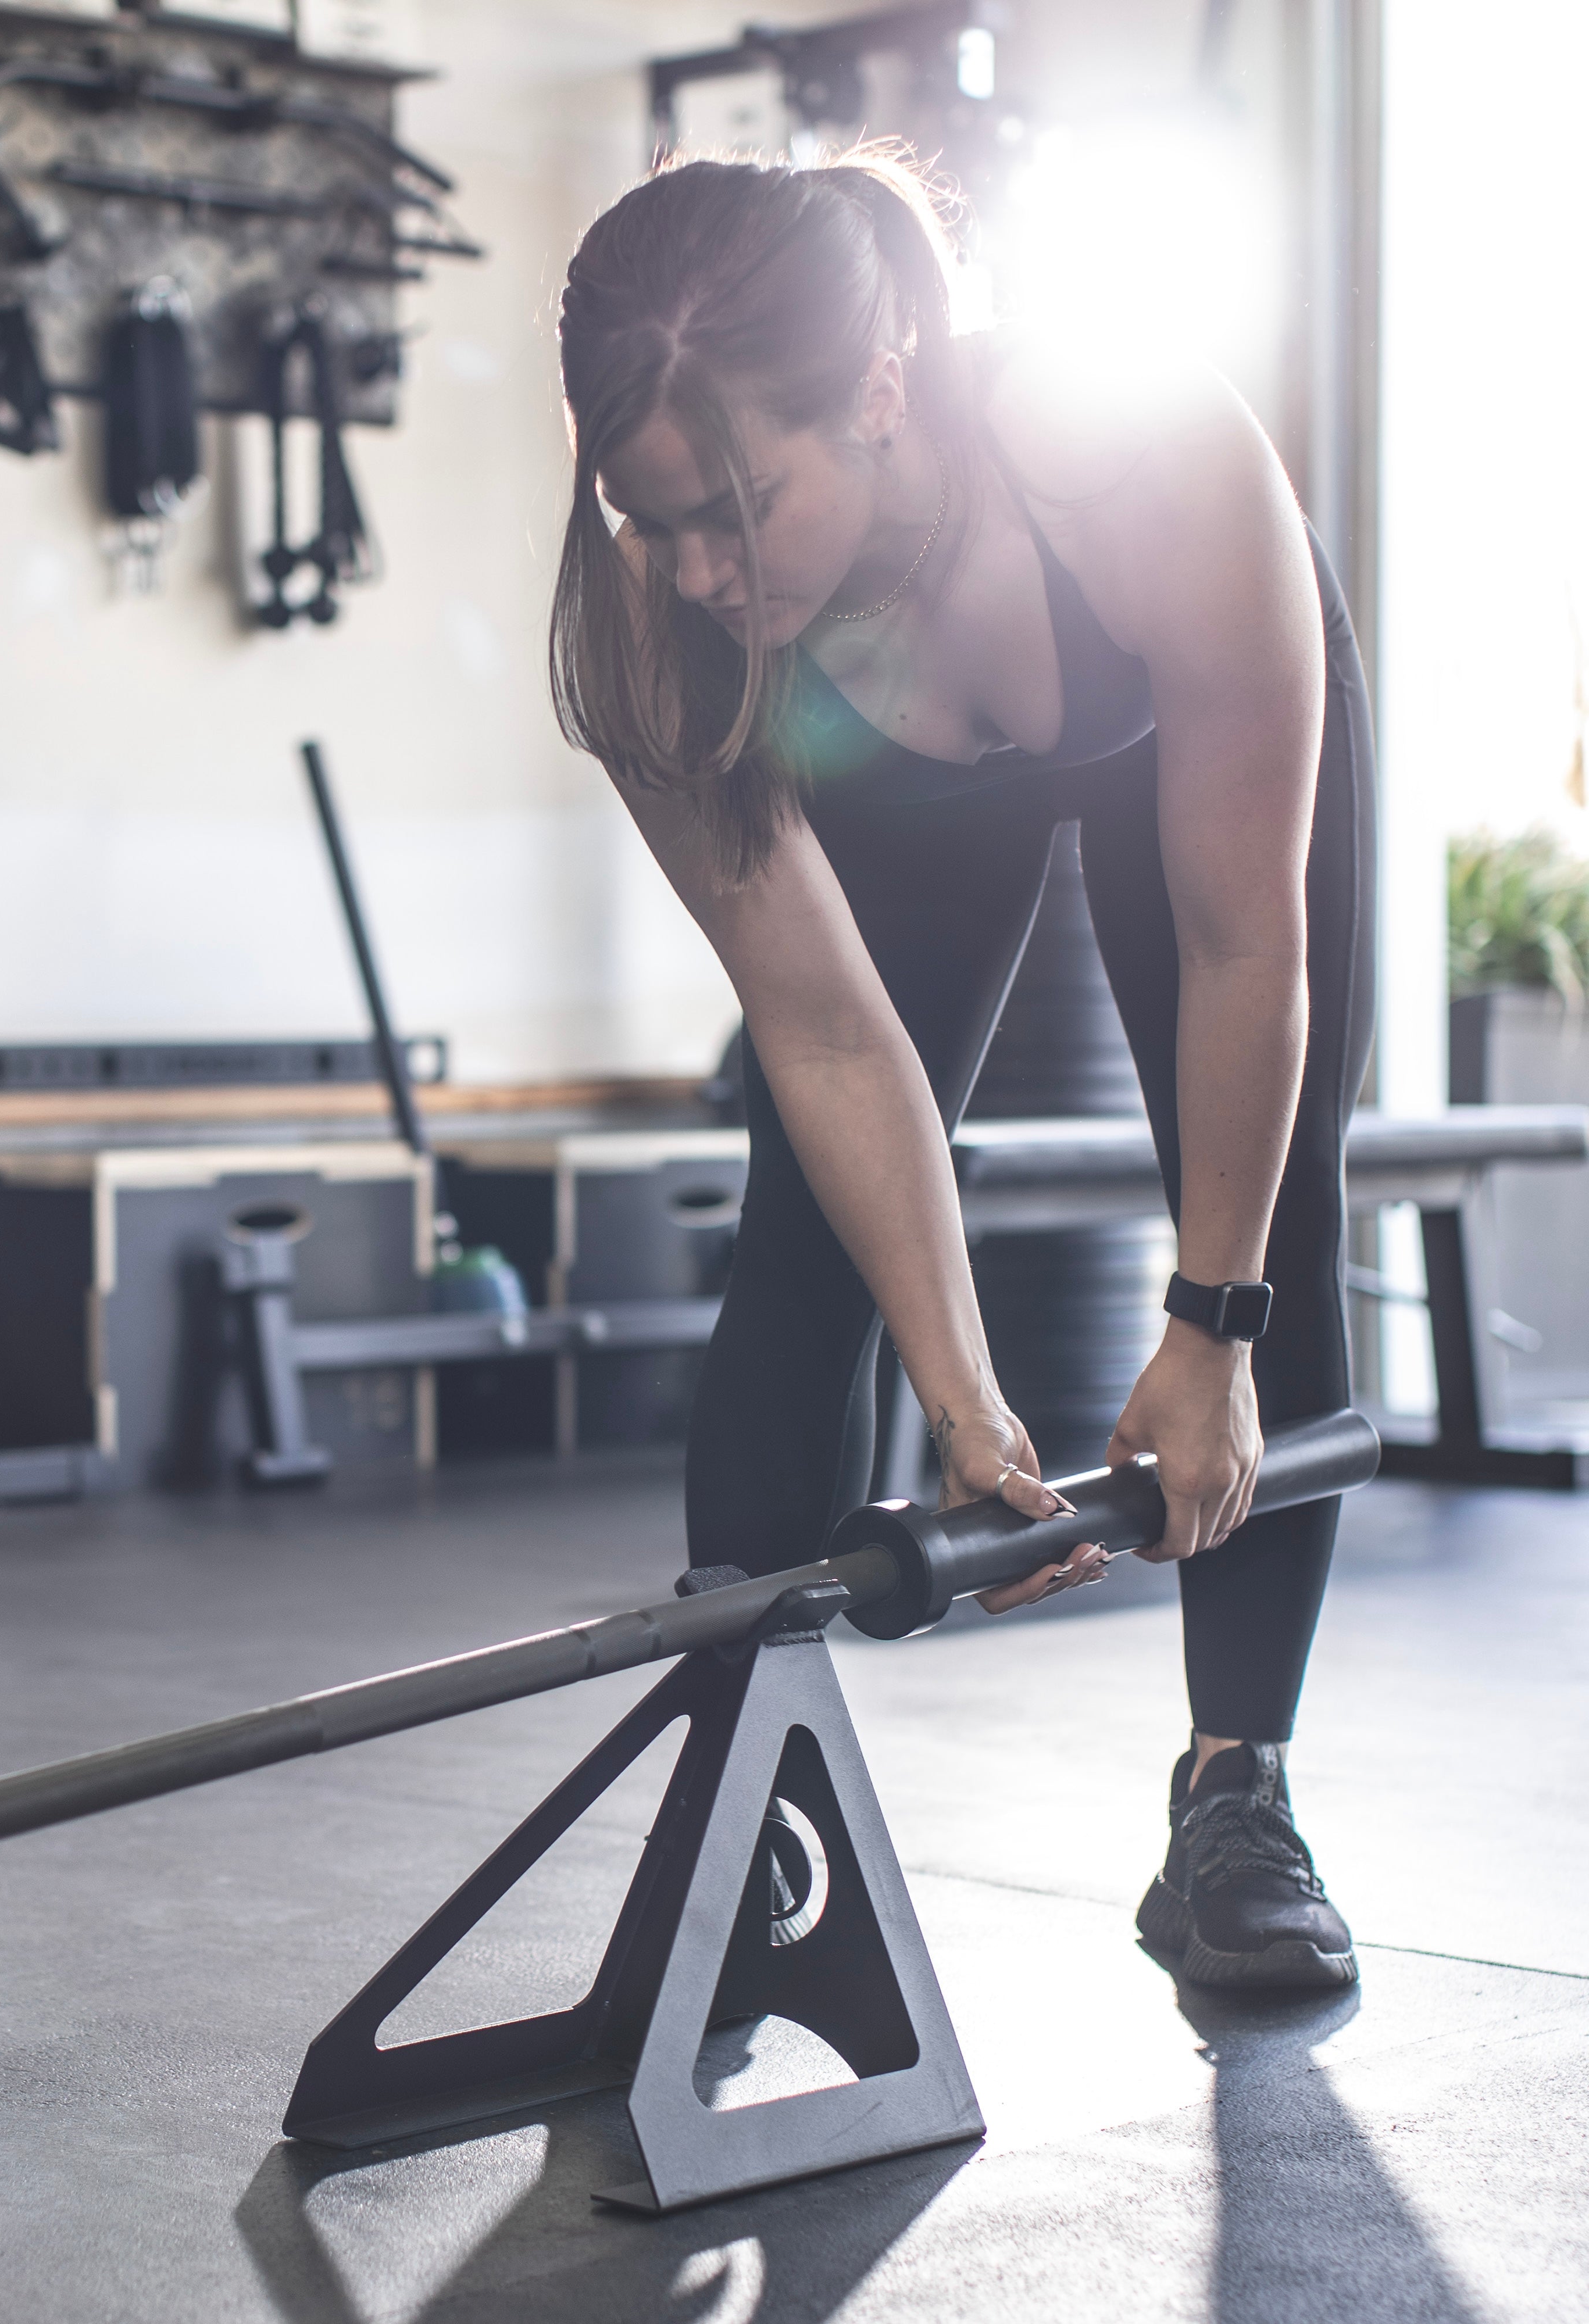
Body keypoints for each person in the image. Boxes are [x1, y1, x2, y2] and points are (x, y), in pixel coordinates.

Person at [548, 149, 1372, 1990]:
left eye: (744, 508)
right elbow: (833, 1034)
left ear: (888, 387)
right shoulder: (655, 633)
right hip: (907, 765)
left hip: (1183, 714)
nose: (699, 572)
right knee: (798, 1232)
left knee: (1273, 1188)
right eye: (652, 516)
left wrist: (1212, 1332)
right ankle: (736, 1800)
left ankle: (1238, 1794)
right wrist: (967, 1400)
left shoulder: (1142, 454)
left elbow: (1250, 949)